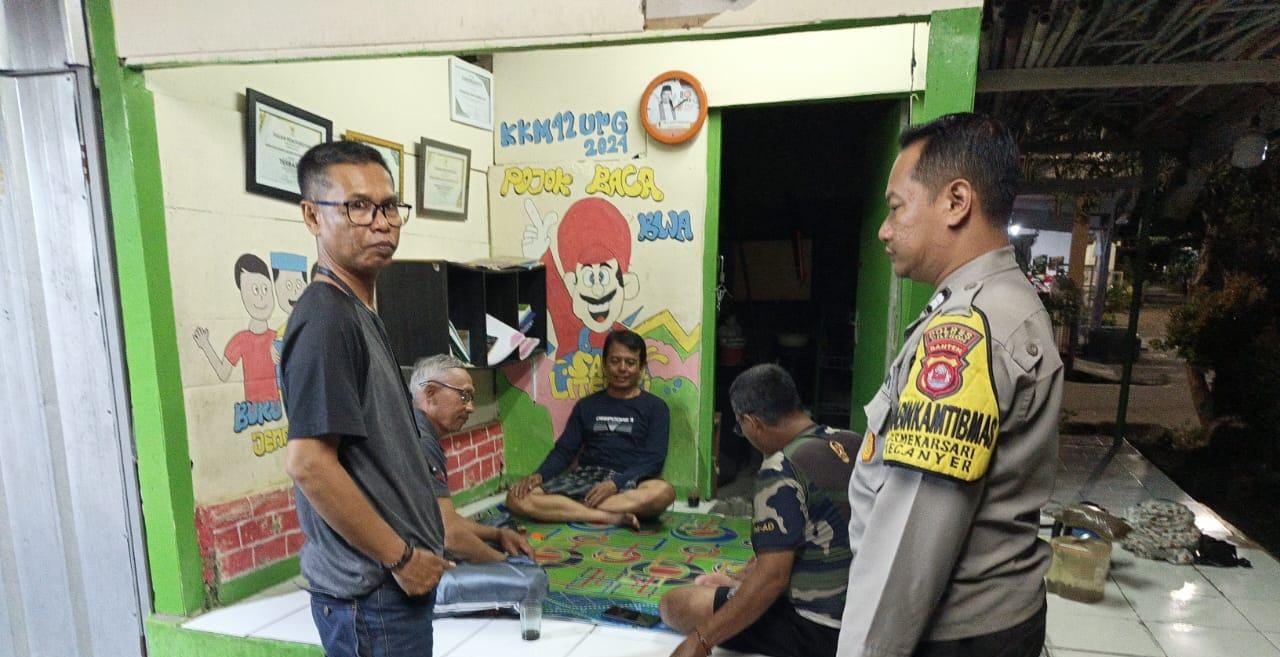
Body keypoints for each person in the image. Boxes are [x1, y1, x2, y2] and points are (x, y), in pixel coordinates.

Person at [837, 113, 1063, 657]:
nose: (884, 230)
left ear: (956, 202)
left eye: (896, 207)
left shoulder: (967, 332)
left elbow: (909, 544)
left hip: (953, 634)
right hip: (993, 623)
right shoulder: (1001, 303)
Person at [282, 140, 451, 657]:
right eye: (357, 206)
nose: (381, 223)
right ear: (313, 216)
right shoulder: (327, 320)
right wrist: (401, 558)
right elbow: (310, 464)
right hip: (373, 595)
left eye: (389, 206)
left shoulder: (356, 311)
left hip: (387, 592)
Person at [659, 364, 858, 657]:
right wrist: (742, 580)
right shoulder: (852, 442)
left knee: (676, 604)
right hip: (865, 613)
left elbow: (773, 579)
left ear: (752, 423)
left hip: (820, 630)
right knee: (743, 579)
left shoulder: (780, 468)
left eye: (741, 427)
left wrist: (700, 640)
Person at [506, 329, 676, 526]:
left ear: (641, 367)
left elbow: (653, 459)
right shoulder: (587, 406)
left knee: (664, 493)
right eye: (615, 361)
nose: (622, 368)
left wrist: (615, 484)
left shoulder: (656, 408)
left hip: (630, 481)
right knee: (515, 498)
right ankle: (609, 516)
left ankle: (573, 508)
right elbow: (564, 451)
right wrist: (540, 475)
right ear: (604, 364)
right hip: (587, 478)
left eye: (630, 362)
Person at [410, 354, 534, 563]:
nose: (470, 407)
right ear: (430, 393)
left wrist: (498, 534)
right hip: (401, 563)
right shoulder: (422, 441)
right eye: (464, 396)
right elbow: (451, 536)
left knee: (499, 527)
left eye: (471, 398)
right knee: (522, 572)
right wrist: (509, 566)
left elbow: (445, 520)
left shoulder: (414, 427)